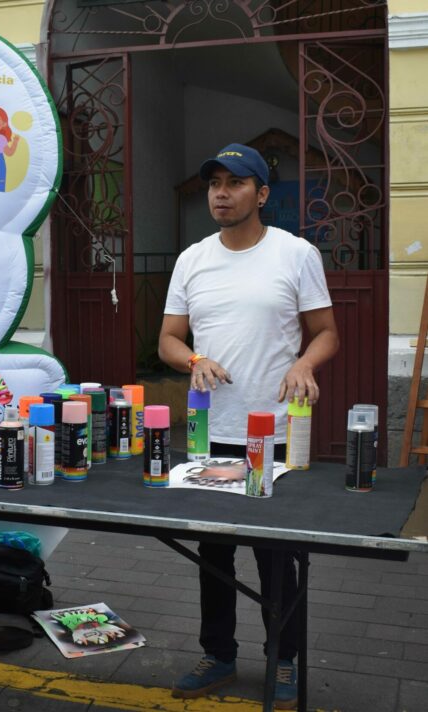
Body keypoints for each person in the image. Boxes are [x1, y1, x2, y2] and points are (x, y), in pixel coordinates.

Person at [158, 143, 339, 709]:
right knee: (213, 553)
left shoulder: (295, 254)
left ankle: (284, 659)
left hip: (274, 432)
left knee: (276, 556)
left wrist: (304, 363)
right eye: (214, 183)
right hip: (211, 432)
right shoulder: (192, 259)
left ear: (261, 194)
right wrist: (194, 359)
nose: (221, 193)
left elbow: (326, 331)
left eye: (235, 183)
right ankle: (218, 655)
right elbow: (168, 340)